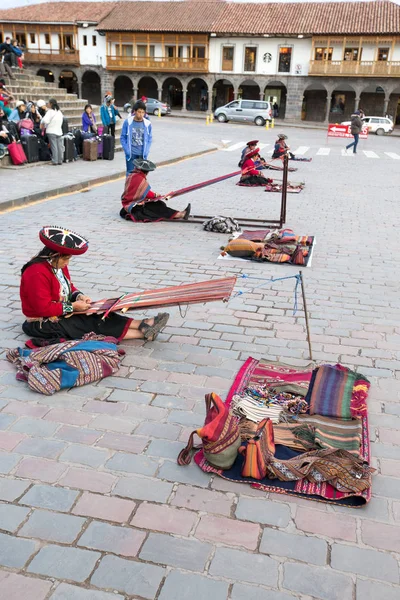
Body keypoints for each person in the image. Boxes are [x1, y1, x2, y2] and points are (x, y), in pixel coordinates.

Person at [20, 226, 170, 344]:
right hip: (43, 323)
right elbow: (42, 308)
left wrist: (79, 296)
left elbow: (68, 287)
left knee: (97, 312)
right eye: (66, 259)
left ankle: (142, 325)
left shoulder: (58, 265)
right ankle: (143, 331)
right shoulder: (36, 272)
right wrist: (73, 307)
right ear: (55, 256)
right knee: (88, 323)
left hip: (60, 312)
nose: (67, 263)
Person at [120, 158, 190, 223]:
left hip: (129, 203)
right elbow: (145, 192)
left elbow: (139, 192)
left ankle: (178, 214)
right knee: (157, 207)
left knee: (159, 203)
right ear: (146, 172)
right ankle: (180, 214)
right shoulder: (139, 178)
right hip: (134, 206)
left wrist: (155, 197)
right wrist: (155, 195)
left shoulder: (132, 175)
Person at [120, 100, 152, 175]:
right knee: (130, 174)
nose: (141, 114)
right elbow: (122, 137)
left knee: (140, 175)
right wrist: (127, 150)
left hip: (142, 154)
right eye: (139, 112)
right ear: (135, 111)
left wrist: (146, 151)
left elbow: (149, 139)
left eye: (143, 112)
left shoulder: (147, 124)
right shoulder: (128, 122)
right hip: (131, 154)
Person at [40, 98, 64, 166]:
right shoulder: (59, 112)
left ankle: (55, 161)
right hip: (59, 131)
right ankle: (60, 160)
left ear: (51, 104)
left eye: (48, 103)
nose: (47, 104)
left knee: (54, 146)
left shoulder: (50, 112)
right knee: (59, 146)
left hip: (51, 131)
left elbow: (46, 120)